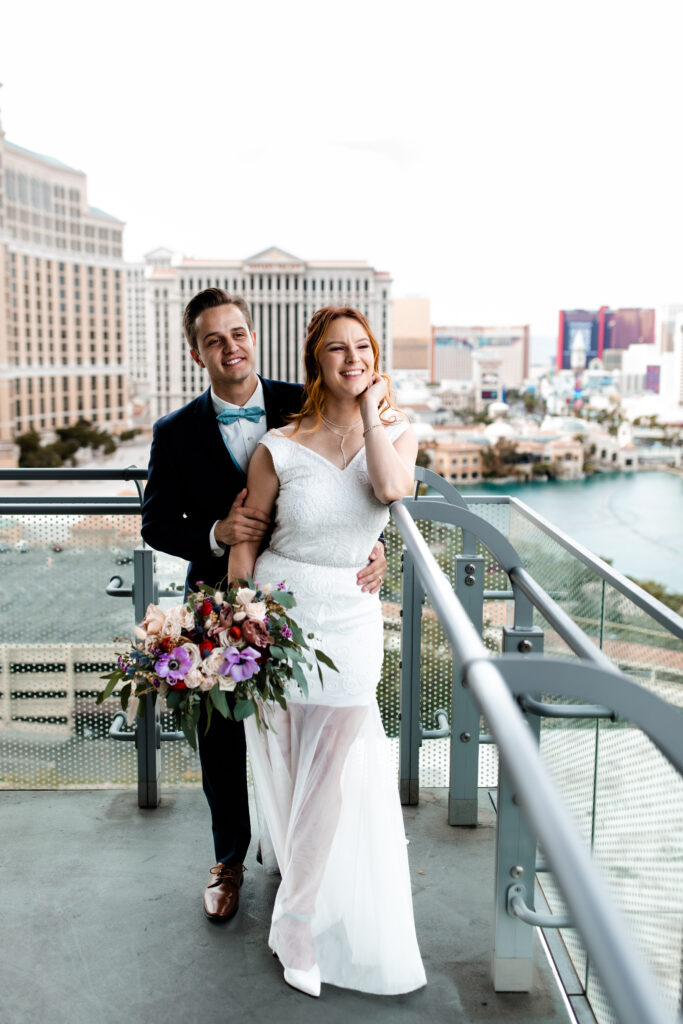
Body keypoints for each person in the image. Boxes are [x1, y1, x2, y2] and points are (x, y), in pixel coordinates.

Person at [140, 289, 387, 925]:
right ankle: (228, 861)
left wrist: (377, 544)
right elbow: (156, 523)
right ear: (196, 352)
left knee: (304, 730)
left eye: (240, 333)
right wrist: (216, 534)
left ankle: (300, 857)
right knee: (220, 735)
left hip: (307, 602)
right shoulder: (174, 433)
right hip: (217, 599)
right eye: (215, 339)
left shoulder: (302, 399)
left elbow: (354, 475)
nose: (232, 347)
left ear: (254, 336)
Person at [228, 307, 426, 998]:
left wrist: (372, 412)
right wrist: (240, 616)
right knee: (282, 763)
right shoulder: (278, 445)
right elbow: (248, 536)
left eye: (363, 348)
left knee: (328, 772)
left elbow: (390, 490)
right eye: (336, 350)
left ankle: (298, 920)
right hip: (280, 614)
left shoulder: (399, 431)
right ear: (317, 360)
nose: (351, 358)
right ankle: (295, 877)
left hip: (350, 620)